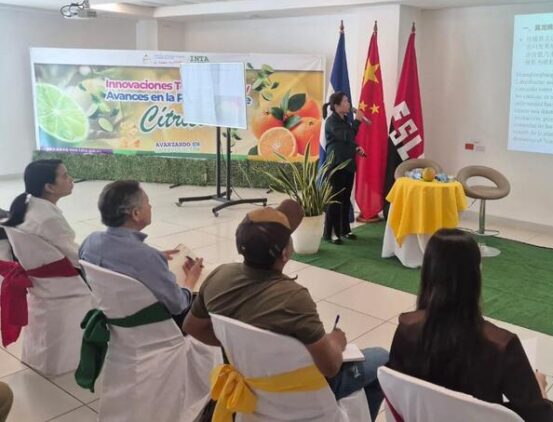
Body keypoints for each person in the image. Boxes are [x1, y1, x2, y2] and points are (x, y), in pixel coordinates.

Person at [183, 200, 388, 421]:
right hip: (305, 393)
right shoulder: (294, 298)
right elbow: (330, 367)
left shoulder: (218, 278)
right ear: (284, 254)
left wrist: (241, 347)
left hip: (251, 387)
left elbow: (191, 326)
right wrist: (337, 340)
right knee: (382, 358)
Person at [387, 229, 553, 422]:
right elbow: (543, 418)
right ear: (477, 273)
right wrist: (541, 390)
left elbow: (396, 389)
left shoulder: (406, 328)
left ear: (428, 272)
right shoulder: (501, 345)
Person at [79, 180, 203, 327]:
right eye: (148, 203)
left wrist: (156, 258)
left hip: (114, 326)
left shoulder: (90, 242)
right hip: (157, 330)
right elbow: (179, 305)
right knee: (205, 298)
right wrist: (190, 281)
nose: (150, 206)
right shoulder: (147, 257)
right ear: (136, 213)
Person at [2, 159, 79, 267]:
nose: (71, 179)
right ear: (49, 187)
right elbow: (76, 259)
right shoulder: (49, 219)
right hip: (64, 275)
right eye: (65, 176)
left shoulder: (25, 205)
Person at [322, 91, 370, 245]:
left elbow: (347, 140)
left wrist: (356, 148)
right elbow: (347, 136)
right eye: (345, 101)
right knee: (335, 199)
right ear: (336, 106)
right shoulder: (331, 121)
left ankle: (344, 230)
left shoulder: (344, 120)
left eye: (348, 101)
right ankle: (330, 234)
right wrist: (358, 121)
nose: (348, 104)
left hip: (348, 164)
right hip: (336, 165)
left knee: (345, 199)